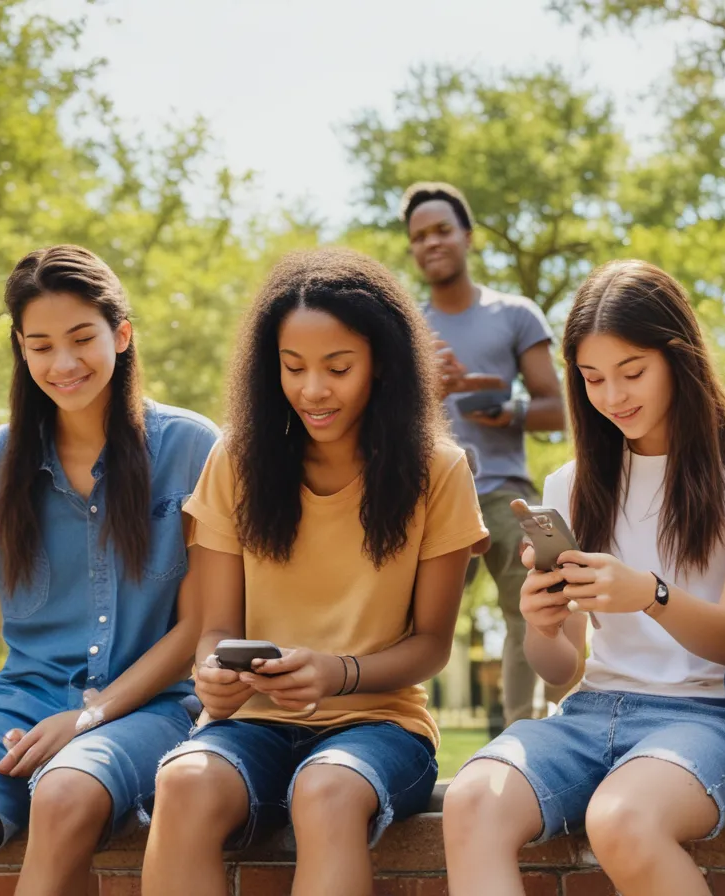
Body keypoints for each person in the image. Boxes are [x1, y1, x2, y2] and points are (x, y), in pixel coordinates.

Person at [442, 260, 725, 896]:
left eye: (632, 372)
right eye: (591, 379)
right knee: (472, 800)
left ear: (679, 357)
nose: (613, 396)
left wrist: (651, 595)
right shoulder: (572, 483)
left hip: (714, 717)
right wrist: (543, 622)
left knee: (621, 820)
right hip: (589, 715)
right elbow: (561, 670)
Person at [140, 248, 487, 896]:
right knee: (181, 782)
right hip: (251, 726)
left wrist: (338, 672)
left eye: (338, 367)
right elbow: (216, 628)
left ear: (380, 364)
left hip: (381, 727)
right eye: (292, 367)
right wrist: (213, 675)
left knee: (324, 791)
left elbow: (433, 645)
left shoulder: (439, 470)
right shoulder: (236, 461)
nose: (312, 389)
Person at [0, 245, 219, 896]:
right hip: (23, 699)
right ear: (20, 348)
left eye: (80, 339)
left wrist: (91, 716)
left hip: (152, 705)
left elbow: (199, 625)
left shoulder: (191, 447)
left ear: (120, 335)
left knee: (65, 793)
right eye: (40, 345)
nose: (62, 364)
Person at [402, 181, 566, 725]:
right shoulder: (405, 328)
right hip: (428, 498)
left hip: (504, 492)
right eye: (419, 236)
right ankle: (398, 732)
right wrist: (429, 391)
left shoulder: (515, 314)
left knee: (532, 606)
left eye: (442, 230)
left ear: (467, 237)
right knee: (408, 620)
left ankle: (524, 740)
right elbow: (384, 424)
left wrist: (505, 408)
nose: (432, 243)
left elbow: (559, 409)